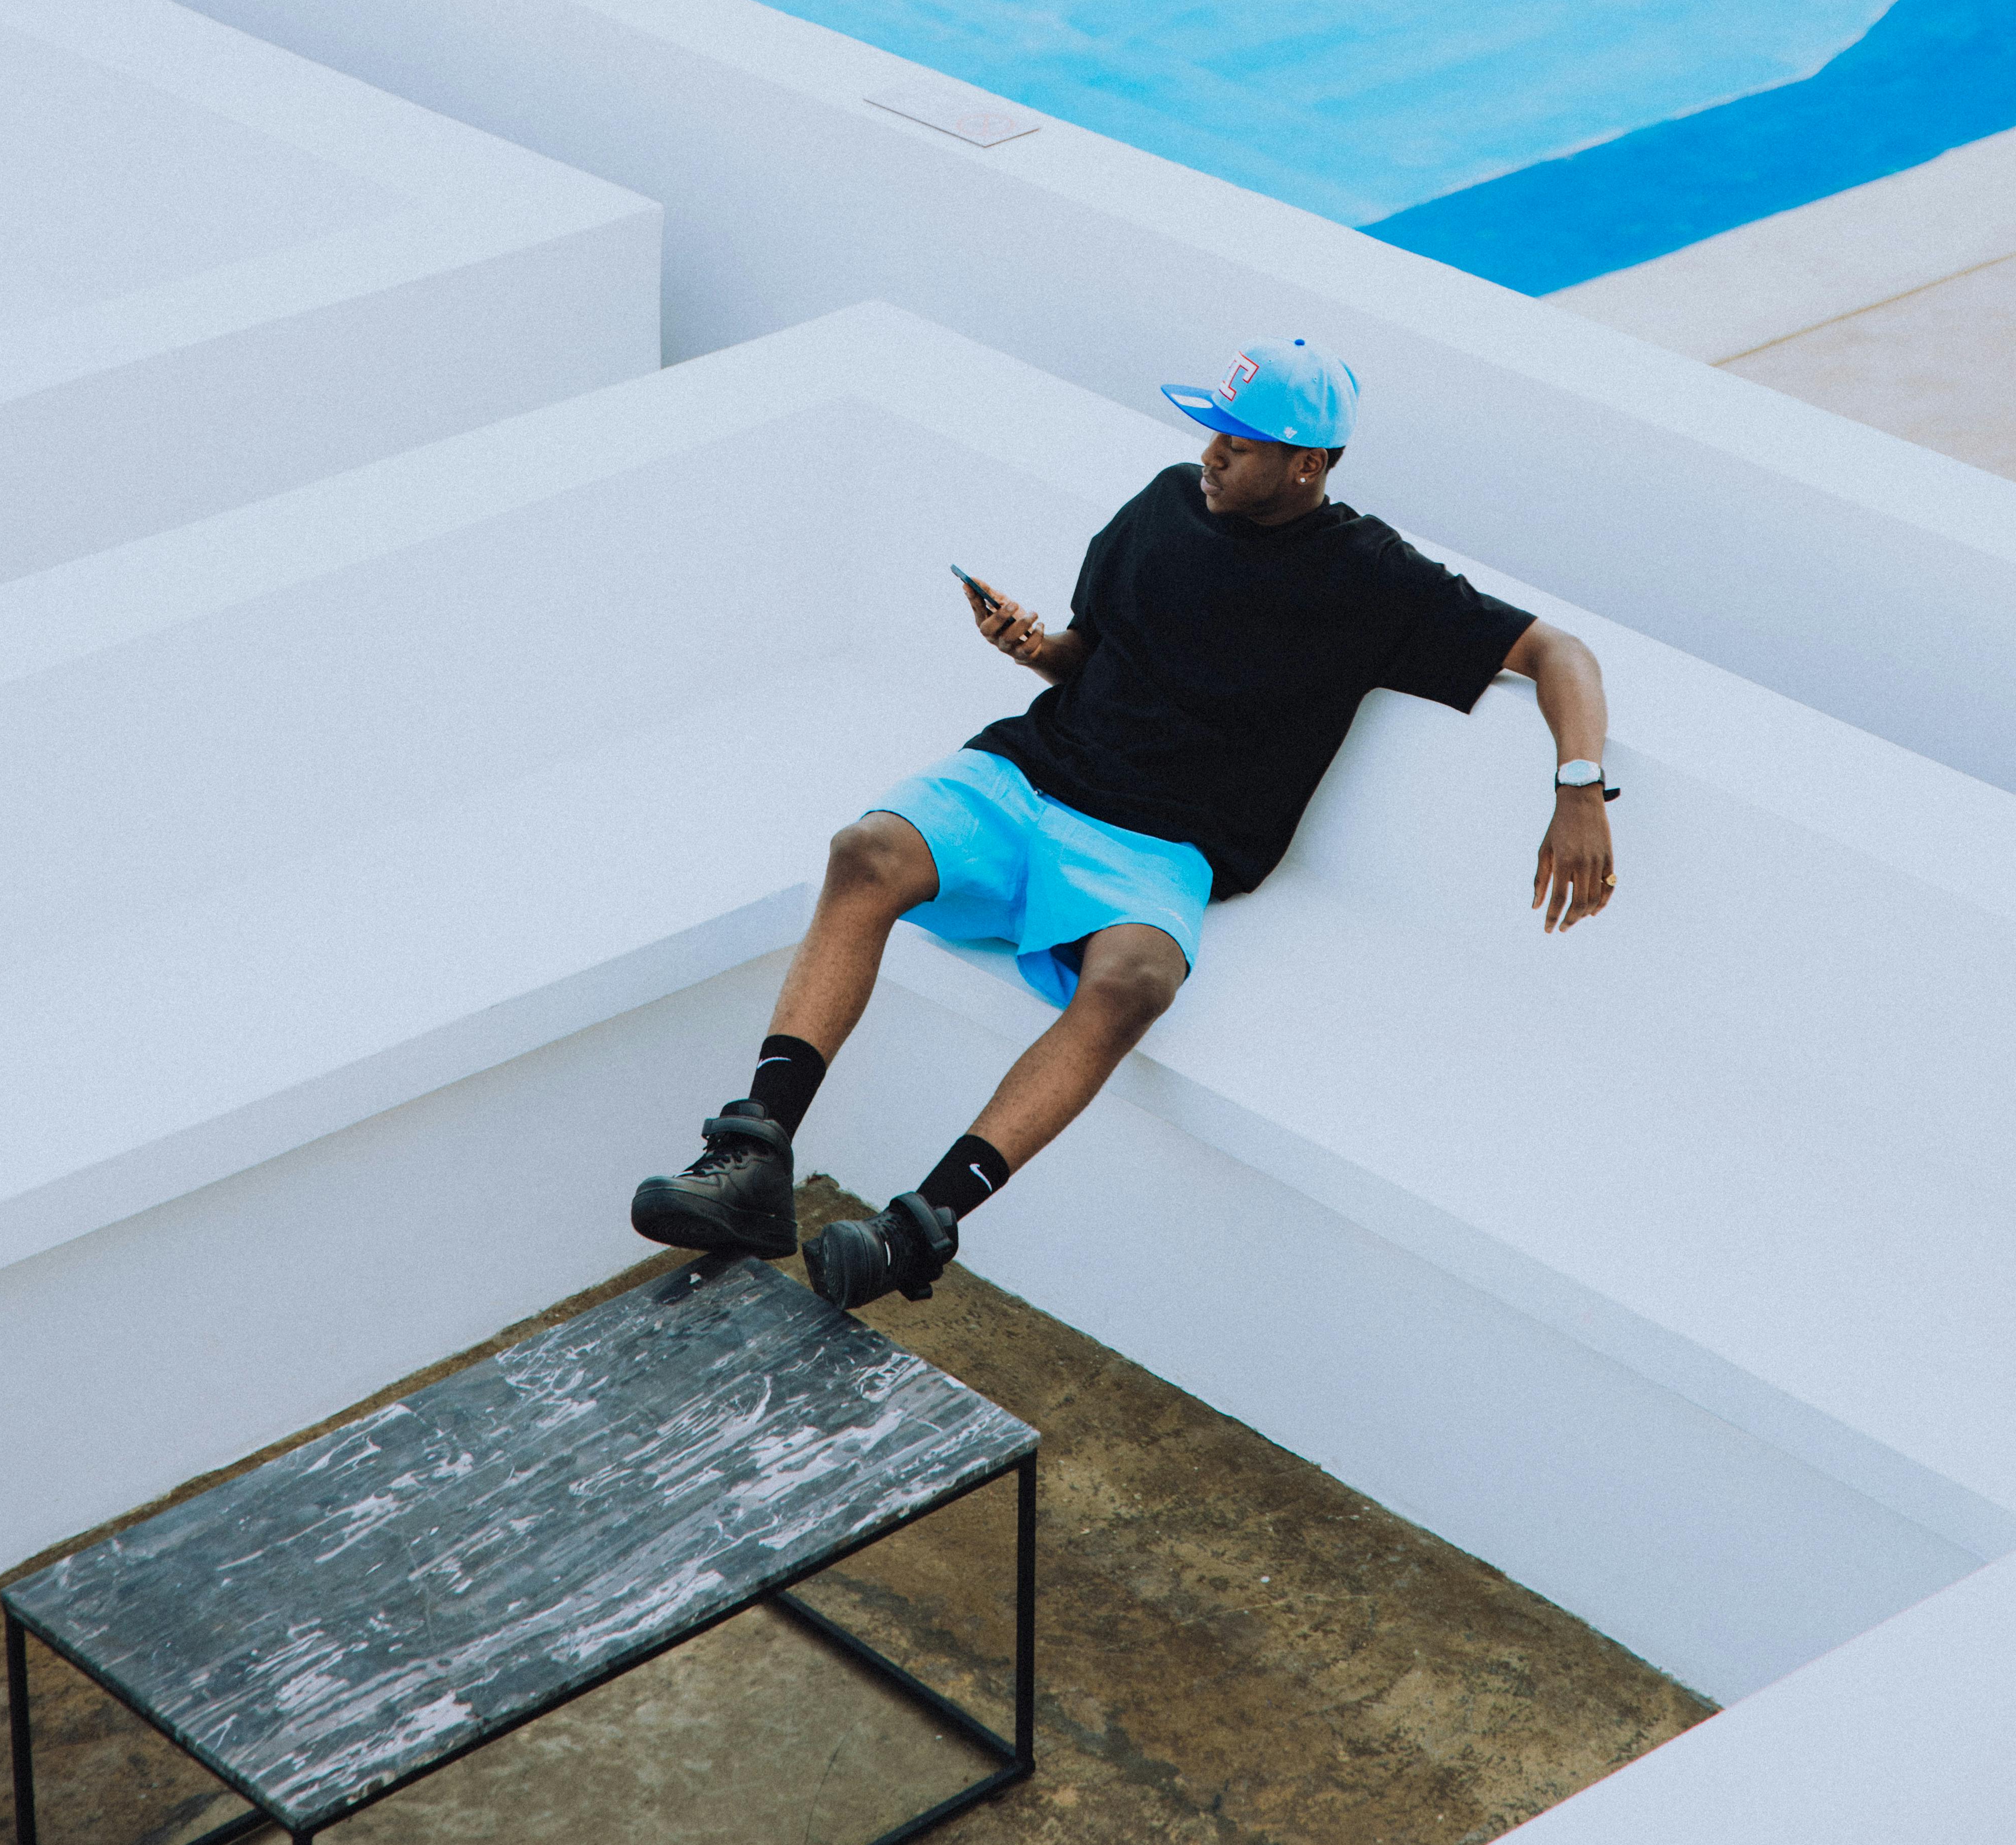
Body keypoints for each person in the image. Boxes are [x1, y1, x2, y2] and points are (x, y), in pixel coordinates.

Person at [631, 337, 1618, 1310]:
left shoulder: (1372, 577)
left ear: (1307, 466)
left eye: (1237, 443)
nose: (1210, 455)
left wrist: (1578, 788)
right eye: (1211, 431)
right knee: (865, 852)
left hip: (1158, 846)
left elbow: (1557, 652)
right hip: (1028, 775)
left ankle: (916, 1231)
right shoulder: (1162, 505)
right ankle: (753, 1155)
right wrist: (1036, 651)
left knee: (1135, 983)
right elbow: (1091, 654)